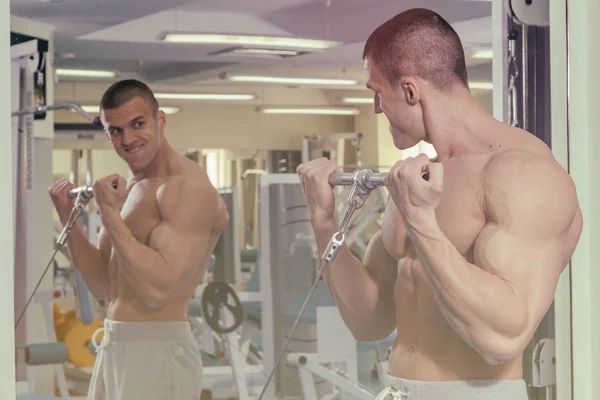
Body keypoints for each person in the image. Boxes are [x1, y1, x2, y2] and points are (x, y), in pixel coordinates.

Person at [297, 8, 582, 400]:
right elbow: (370, 321)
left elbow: (504, 337)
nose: (377, 109)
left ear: (411, 91)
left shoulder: (523, 174)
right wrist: (324, 222)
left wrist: (420, 220)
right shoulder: (420, 176)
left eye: (377, 94)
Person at [48, 79, 228, 400]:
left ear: (160, 120)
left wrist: (110, 217)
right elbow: (104, 284)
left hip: (158, 351)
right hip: (115, 345)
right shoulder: (131, 188)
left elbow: (159, 289)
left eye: (137, 124)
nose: (127, 139)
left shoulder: (187, 188)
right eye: (115, 130)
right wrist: (69, 219)